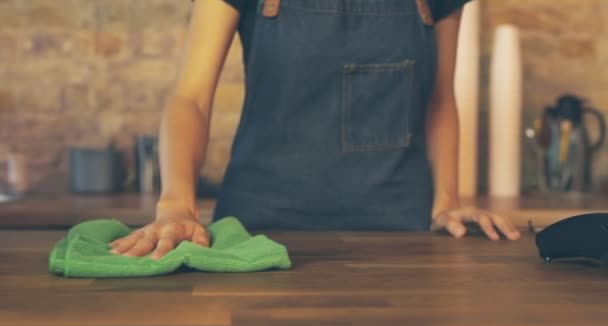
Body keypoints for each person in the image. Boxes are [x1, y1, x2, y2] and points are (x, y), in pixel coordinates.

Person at [109, 0, 521, 260]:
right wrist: (177, 202)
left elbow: (440, 99)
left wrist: (446, 202)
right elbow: (191, 98)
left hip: (401, 243)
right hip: (257, 238)